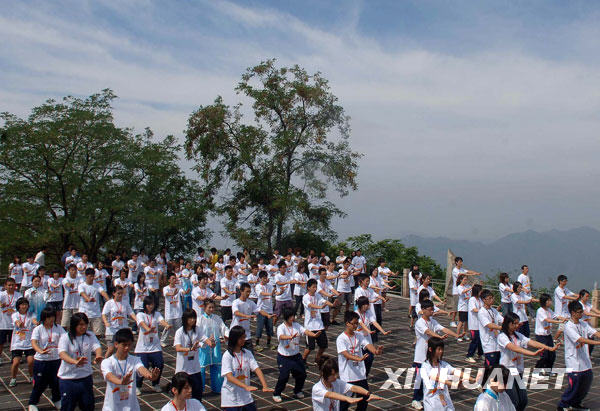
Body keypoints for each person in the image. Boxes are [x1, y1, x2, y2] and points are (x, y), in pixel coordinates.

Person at [498, 312, 555, 411]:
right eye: (514, 323)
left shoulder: (518, 335)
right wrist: (532, 354)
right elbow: (514, 348)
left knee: (523, 400)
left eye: (517, 323)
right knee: (513, 400)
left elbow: (530, 342)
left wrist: (548, 348)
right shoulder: (502, 337)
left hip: (518, 371)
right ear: (508, 323)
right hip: (507, 372)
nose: (517, 326)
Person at [411, 300, 461, 410]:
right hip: (420, 357)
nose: (432, 312)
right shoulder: (419, 322)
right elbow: (428, 332)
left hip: (431, 358)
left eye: (433, 309)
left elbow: (443, 329)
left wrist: (456, 335)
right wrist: (439, 337)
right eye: (430, 310)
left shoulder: (433, 321)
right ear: (423, 310)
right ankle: (416, 400)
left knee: (431, 381)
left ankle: (428, 399)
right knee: (420, 381)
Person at [101, 328, 160, 411]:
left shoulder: (135, 360)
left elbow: (142, 369)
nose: (127, 348)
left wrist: (151, 376)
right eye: (124, 345)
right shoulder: (107, 362)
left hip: (131, 407)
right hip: (112, 407)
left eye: (129, 345)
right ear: (116, 344)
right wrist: (121, 382)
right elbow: (109, 376)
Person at [557, 300, 600, 411]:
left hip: (585, 361)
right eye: (579, 312)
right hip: (574, 362)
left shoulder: (583, 324)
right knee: (574, 386)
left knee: (586, 383)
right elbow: (580, 339)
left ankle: (576, 403)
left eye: (582, 312)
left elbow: (594, 332)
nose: (581, 314)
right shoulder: (568, 326)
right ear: (573, 312)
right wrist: (598, 342)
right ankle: (563, 405)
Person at [337, 311, 383, 411]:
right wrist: (358, 358)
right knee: (344, 403)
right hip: (347, 375)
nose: (355, 326)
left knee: (364, 400)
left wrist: (376, 351)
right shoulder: (341, 338)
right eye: (353, 323)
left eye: (357, 323)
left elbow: (367, 345)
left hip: (360, 374)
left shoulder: (359, 335)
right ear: (347, 323)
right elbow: (345, 354)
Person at [273, 307, 321, 403]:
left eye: (293, 316)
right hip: (284, 357)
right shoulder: (281, 327)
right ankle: (277, 393)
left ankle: (297, 390)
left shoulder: (297, 325)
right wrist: (289, 337)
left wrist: (314, 335)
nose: (293, 318)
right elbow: (281, 336)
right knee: (284, 376)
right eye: (291, 316)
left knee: (302, 374)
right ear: (286, 317)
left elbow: (305, 331)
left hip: (295, 355)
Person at [57, 312, 103, 411]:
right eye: (81, 325)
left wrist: (98, 355)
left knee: (88, 405)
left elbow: (97, 347)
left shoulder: (90, 335)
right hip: (68, 378)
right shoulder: (65, 337)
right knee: (68, 406)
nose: (84, 327)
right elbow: (62, 354)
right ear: (74, 325)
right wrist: (74, 362)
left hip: (85, 377)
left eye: (85, 324)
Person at [221, 325, 273, 410]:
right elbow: (229, 377)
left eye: (244, 337)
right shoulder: (227, 356)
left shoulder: (247, 353)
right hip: (231, 398)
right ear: (234, 339)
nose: (243, 340)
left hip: (245, 396)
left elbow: (257, 369)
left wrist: (265, 385)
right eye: (241, 338)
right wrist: (245, 386)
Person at [420, 337, 476, 410]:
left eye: (442, 349)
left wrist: (472, 379)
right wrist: (453, 384)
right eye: (439, 349)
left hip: (445, 400)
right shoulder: (425, 366)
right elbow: (437, 378)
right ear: (430, 349)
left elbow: (456, 371)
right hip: (432, 402)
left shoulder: (443, 364)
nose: (441, 351)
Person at [311, 355, 380, 411]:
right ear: (324, 374)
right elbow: (330, 394)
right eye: (332, 375)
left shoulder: (336, 382)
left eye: (336, 373)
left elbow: (353, 387)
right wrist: (347, 398)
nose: (336, 376)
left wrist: (368, 393)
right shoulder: (317, 388)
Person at [29, 307, 65, 411]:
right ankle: (32, 403)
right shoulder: (38, 329)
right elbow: (34, 342)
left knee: (56, 382)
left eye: (53, 316)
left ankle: (57, 399)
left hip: (56, 360)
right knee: (40, 383)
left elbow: (64, 339)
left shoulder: (58, 328)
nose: (51, 319)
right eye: (49, 317)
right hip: (42, 361)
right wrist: (40, 351)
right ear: (44, 318)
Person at [135, 295, 171, 394]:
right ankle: (138, 385)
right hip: (142, 347)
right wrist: (147, 329)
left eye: (152, 304)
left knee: (159, 364)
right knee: (143, 366)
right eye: (149, 305)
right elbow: (141, 323)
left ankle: (155, 383)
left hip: (155, 346)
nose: (151, 306)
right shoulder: (140, 315)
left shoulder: (157, 314)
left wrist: (166, 325)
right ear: (145, 305)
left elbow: (161, 321)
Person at [174, 309, 209, 402]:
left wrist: (211, 342)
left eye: (194, 318)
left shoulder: (197, 329)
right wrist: (190, 349)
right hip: (183, 369)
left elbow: (205, 338)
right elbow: (178, 348)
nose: (193, 320)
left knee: (198, 392)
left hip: (195, 368)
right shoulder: (179, 332)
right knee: (183, 395)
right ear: (185, 319)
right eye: (190, 318)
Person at [230, 282, 273, 352]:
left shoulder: (251, 303)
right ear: (241, 291)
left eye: (249, 292)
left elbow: (259, 310)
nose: (248, 294)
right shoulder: (236, 302)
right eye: (247, 292)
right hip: (236, 332)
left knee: (250, 355)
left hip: (246, 334)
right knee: (235, 354)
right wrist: (247, 316)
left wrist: (267, 315)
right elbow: (236, 312)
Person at [302, 279, 334, 365]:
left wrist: (333, 305)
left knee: (323, 345)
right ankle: (303, 360)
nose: (315, 289)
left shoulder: (317, 295)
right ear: (308, 287)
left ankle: (317, 358)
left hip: (319, 325)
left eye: (316, 287)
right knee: (310, 347)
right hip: (310, 326)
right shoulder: (305, 297)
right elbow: (310, 305)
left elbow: (324, 301)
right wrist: (320, 307)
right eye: (313, 287)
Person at [355, 296, 390, 376]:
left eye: (368, 304)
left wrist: (383, 331)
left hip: (367, 338)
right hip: (359, 339)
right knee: (361, 358)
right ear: (361, 305)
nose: (367, 306)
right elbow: (361, 324)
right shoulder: (356, 314)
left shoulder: (368, 312)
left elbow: (374, 322)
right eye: (366, 304)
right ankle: (360, 375)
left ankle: (365, 375)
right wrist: (368, 330)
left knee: (370, 358)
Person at [197, 299, 227, 393]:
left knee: (217, 367)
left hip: (215, 347)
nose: (211, 309)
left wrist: (227, 335)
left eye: (213, 307)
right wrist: (205, 341)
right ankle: (200, 390)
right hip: (204, 347)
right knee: (201, 369)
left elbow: (224, 328)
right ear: (204, 307)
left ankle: (217, 388)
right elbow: (198, 333)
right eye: (209, 307)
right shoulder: (200, 319)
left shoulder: (217, 318)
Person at [9, 297, 37, 387]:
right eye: (22, 305)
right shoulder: (15, 315)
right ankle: (13, 378)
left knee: (30, 361)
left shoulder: (32, 314)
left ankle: (32, 377)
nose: (24, 306)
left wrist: (36, 323)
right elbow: (17, 322)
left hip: (29, 343)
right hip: (17, 343)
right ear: (18, 306)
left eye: (25, 304)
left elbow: (34, 320)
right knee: (16, 362)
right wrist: (19, 323)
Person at [534, 293, 566, 373]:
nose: (550, 302)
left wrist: (565, 318)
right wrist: (559, 322)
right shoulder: (540, 311)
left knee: (552, 354)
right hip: (541, 336)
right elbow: (547, 320)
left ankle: (548, 370)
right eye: (548, 300)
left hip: (548, 335)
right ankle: (538, 369)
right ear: (544, 302)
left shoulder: (549, 310)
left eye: (550, 300)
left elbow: (556, 316)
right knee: (544, 355)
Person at [102, 285, 136, 358]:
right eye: (118, 293)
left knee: (124, 348)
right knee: (111, 349)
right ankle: (104, 362)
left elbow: (131, 313)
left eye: (121, 293)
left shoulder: (125, 303)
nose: (120, 295)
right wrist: (106, 322)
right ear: (114, 293)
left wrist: (137, 320)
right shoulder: (109, 303)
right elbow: (104, 314)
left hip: (123, 329)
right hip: (112, 330)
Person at [78, 268, 110, 338]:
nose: (92, 278)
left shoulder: (97, 285)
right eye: (90, 276)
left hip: (96, 313)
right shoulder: (81, 285)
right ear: (86, 276)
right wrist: (88, 299)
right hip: (85, 313)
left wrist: (109, 300)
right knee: (84, 334)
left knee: (98, 334)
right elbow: (82, 293)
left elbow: (103, 292)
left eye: (93, 276)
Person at [449, 257, 480, 327]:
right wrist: (471, 275)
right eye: (460, 262)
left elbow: (468, 271)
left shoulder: (462, 269)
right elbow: (461, 275)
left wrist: (476, 273)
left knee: (461, 306)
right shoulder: (455, 270)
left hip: (462, 291)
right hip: (456, 290)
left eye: (461, 262)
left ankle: (459, 321)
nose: (461, 263)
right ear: (456, 262)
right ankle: (453, 321)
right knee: (455, 307)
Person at [478, 289, 504, 367]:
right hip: (488, 343)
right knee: (490, 366)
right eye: (489, 298)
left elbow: (502, 319)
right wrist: (501, 327)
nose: (491, 300)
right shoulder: (481, 312)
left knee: (497, 365)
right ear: (484, 300)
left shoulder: (493, 310)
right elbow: (488, 324)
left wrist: (511, 322)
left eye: (492, 298)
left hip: (496, 342)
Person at [0, 277, 21, 364]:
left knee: (15, 342)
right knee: (1, 343)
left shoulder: (18, 295)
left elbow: (22, 306)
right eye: (9, 285)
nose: (11, 287)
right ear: (5, 286)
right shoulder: (1, 294)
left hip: (14, 323)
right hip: (2, 323)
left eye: (13, 285)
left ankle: (14, 357)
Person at [254, 271, 275, 351]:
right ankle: (257, 343)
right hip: (261, 310)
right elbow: (262, 293)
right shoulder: (258, 286)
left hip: (269, 310)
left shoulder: (269, 286)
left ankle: (269, 343)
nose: (265, 280)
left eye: (266, 278)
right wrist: (270, 294)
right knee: (260, 327)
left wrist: (281, 292)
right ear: (260, 279)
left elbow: (274, 293)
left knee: (269, 328)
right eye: (264, 278)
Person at [553, 275, 578, 342]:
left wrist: (580, 296)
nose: (566, 282)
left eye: (566, 281)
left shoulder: (565, 289)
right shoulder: (558, 290)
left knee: (569, 325)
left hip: (566, 312)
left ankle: (564, 339)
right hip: (560, 313)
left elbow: (572, 293)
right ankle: (554, 340)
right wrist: (575, 299)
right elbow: (564, 297)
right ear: (560, 281)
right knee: (561, 328)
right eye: (564, 281)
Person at [162, 273, 184, 347]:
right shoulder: (166, 288)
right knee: (167, 327)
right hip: (169, 312)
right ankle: (163, 341)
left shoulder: (178, 287)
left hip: (178, 312)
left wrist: (185, 292)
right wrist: (172, 294)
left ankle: (177, 342)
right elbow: (166, 294)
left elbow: (182, 292)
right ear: (169, 280)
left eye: (175, 278)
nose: (174, 280)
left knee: (178, 329)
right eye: (173, 278)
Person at [273, 260, 295, 328]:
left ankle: (289, 326)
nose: (284, 269)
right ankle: (273, 325)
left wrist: (297, 281)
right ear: (279, 268)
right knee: (277, 314)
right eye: (282, 268)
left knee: (290, 314)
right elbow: (278, 283)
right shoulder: (277, 276)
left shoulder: (288, 275)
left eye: (285, 267)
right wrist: (288, 282)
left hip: (288, 298)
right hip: (280, 298)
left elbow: (293, 280)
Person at [465, 284, 484, 363]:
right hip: (474, 324)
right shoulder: (472, 299)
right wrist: (483, 311)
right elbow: (474, 309)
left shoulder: (480, 299)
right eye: (480, 290)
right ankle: (469, 355)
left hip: (480, 324)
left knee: (481, 340)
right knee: (475, 340)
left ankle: (480, 354)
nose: (481, 292)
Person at [61, 264, 80, 328]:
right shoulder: (65, 279)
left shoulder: (80, 279)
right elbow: (67, 284)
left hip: (77, 304)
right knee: (65, 323)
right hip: (67, 304)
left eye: (75, 270)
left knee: (77, 323)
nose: (74, 271)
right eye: (72, 270)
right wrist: (70, 285)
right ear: (69, 271)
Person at [455, 274, 472, 342]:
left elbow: (471, 292)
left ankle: (465, 334)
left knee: (466, 322)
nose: (466, 281)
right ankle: (457, 335)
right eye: (464, 279)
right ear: (461, 280)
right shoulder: (459, 287)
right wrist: (470, 288)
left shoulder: (467, 286)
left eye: (466, 279)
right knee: (461, 322)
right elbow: (463, 292)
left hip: (468, 306)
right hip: (462, 307)